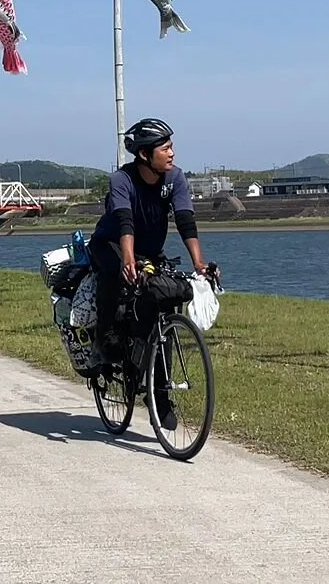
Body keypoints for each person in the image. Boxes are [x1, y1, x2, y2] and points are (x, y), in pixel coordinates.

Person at [88, 117, 215, 428]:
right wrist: (129, 259)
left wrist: (199, 263)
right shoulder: (122, 180)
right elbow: (124, 221)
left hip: (149, 250)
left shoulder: (176, 179)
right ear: (145, 154)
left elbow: (186, 220)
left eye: (172, 147)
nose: (172, 154)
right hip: (111, 243)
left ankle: (158, 393)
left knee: (164, 298)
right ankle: (104, 342)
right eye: (166, 148)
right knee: (117, 271)